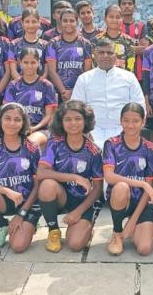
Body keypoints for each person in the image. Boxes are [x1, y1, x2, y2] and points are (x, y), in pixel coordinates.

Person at [0, 104, 42, 252]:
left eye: (17, 119)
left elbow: (38, 185)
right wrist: (6, 191)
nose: (12, 123)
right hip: (4, 200)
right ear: (0, 120)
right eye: (7, 118)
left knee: (18, 246)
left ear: (23, 123)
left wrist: (21, 214)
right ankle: (2, 225)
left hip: (28, 203)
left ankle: (30, 222)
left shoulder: (32, 148)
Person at [37, 100, 103, 253]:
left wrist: (78, 212)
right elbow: (41, 172)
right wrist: (74, 177)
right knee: (47, 184)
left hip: (83, 200)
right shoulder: (54, 143)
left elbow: (98, 188)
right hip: (62, 196)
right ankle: (53, 231)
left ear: (85, 121)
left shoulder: (94, 151)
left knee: (75, 244)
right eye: (68, 119)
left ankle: (86, 227)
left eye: (78, 119)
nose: (73, 123)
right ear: (61, 122)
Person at [103, 103, 153, 256]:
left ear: (143, 122)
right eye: (126, 120)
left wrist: (133, 221)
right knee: (121, 187)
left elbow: (149, 187)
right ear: (121, 121)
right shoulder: (111, 144)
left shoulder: (151, 148)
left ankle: (134, 228)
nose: (130, 125)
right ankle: (117, 232)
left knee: (144, 249)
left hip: (142, 201)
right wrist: (142, 184)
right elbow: (109, 176)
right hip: (121, 198)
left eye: (135, 121)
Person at [71, 39, 146, 147]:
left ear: (115, 56)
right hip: (92, 131)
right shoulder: (84, 79)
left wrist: (131, 130)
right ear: (95, 55)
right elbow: (75, 108)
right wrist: (84, 131)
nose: (105, 56)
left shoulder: (129, 77)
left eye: (110, 53)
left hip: (123, 130)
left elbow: (140, 107)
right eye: (101, 52)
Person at [3, 48, 58, 150]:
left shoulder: (46, 85)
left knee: (30, 143)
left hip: (40, 129)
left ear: (38, 63)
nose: (29, 66)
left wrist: (34, 128)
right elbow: (7, 112)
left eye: (33, 62)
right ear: (20, 63)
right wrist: (19, 127)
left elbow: (49, 115)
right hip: (17, 128)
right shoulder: (13, 85)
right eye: (26, 62)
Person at [45, 8, 94, 102]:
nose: (68, 23)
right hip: (58, 92)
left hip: (80, 91)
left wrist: (74, 91)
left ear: (77, 22)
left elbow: (87, 71)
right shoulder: (53, 43)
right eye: (65, 21)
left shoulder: (85, 44)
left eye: (72, 21)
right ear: (60, 22)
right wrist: (63, 91)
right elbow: (51, 71)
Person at [94, 4, 136, 72]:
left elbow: (130, 66)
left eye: (118, 17)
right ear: (105, 19)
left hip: (122, 77)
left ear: (122, 19)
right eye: (111, 17)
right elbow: (94, 64)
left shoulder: (129, 41)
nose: (114, 20)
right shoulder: (96, 40)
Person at [11, 8, 49, 79]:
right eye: (27, 22)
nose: (30, 25)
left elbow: (46, 71)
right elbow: (13, 71)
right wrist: (23, 83)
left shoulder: (46, 45)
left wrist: (39, 83)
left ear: (39, 23)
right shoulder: (14, 44)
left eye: (34, 22)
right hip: (19, 84)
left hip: (40, 84)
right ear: (22, 23)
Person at [118, 0, 147, 82]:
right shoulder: (114, 26)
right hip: (118, 73)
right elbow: (112, 48)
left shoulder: (141, 26)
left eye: (130, 4)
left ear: (134, 7)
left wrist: (122, 48)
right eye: (124, 4)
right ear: (119, 7)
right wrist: (134, 49)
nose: (127, 6)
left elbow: (144, 49)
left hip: (138, 74)